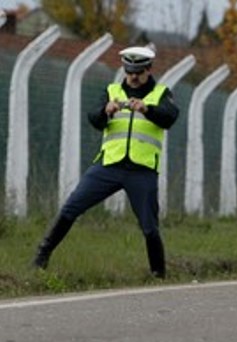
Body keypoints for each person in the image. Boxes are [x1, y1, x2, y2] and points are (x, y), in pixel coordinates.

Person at [33, 45, 180, 278]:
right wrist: (105, 110)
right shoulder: (112, 90)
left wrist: (147, 109)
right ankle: (41, 257)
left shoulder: (161, 93)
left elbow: (170, 117)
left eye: (138, 72)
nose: (132, 77)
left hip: (141, 171)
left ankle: (158, 274)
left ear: (149, 70)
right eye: (129, 71)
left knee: (149, 226)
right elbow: (93, 118)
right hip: (108, 166)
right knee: (71, 207)